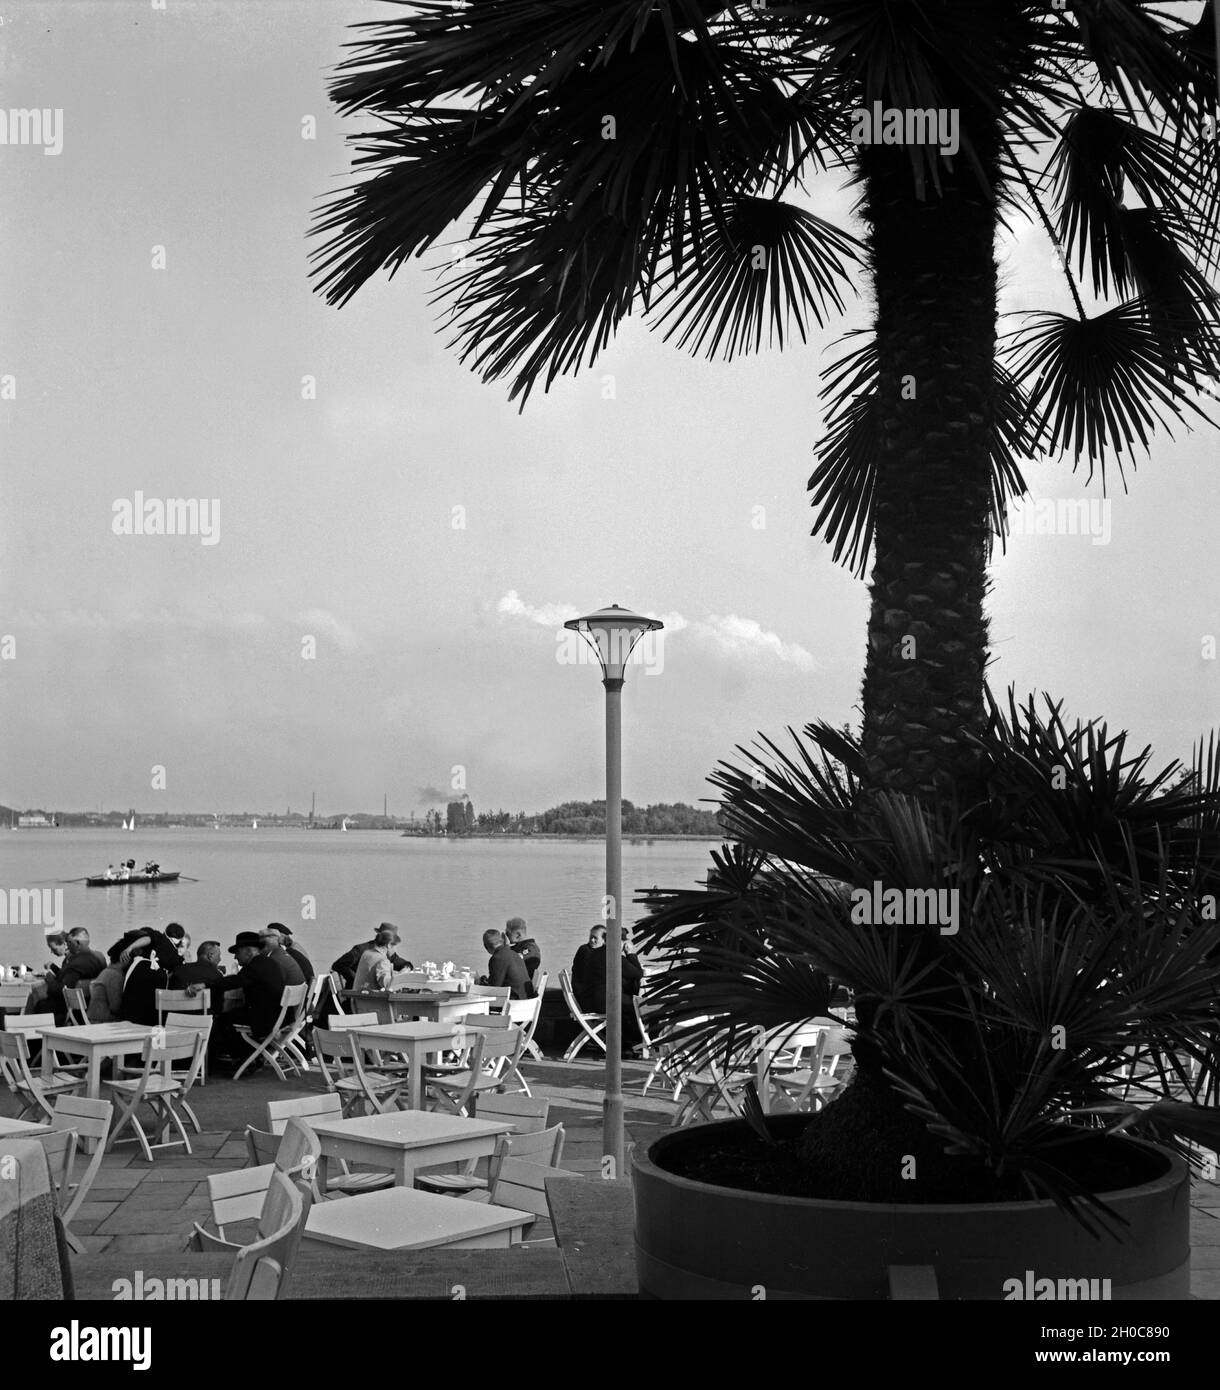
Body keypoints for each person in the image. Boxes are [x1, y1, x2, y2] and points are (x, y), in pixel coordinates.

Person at [209, 930, 304, 1071]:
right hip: (281, 1017)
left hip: (267, 1020)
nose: (235, 957)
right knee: (233, 1016)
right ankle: (249, 1056)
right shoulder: (268, 962)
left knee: (224, 1019)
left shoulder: (255, 966)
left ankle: (244, 1058)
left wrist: (207, 984)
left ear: (248, 951)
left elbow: (235, 981)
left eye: (238, 952)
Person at [113, 926, 185, 1025]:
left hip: (140, 971)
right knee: (150, 1013)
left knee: (131, 1006)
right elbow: (175, 972)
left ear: (165, 932)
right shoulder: (177, 956)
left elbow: (147, 939)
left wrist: (130, 947)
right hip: (160, 979)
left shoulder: (159, 937)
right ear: (180, 941)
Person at [44, 929, 108, 1022]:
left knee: (41, 1004)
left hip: (79, 1011)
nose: (51, 952)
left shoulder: (75, 963)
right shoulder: (99, 956)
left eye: (53, 948)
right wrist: (54, 968)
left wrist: (49, 977)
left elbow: (61, 990)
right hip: (98, 1005)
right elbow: (68, 977)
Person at [330, 923, 413, 988]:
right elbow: (338, 965)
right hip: (359, 993)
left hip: (363, 993)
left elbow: (405, 964)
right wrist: (355, 979)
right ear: (389, 943)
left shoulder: (379, 953)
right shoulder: (361, 950)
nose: (395, 949)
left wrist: (406, 968)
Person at [480, 928, 534, 1000]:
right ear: (501, 941)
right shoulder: (513, 953)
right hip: (525, 997)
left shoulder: (497, 958)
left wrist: (481, 984)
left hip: (514, 1001)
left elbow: (494, 988)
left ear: (486, 947)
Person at [87, 943, 128, 1023]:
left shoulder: (106, 971)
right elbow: (115, 1006)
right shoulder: (115, 975)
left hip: (94, 1018)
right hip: (104, 1021)